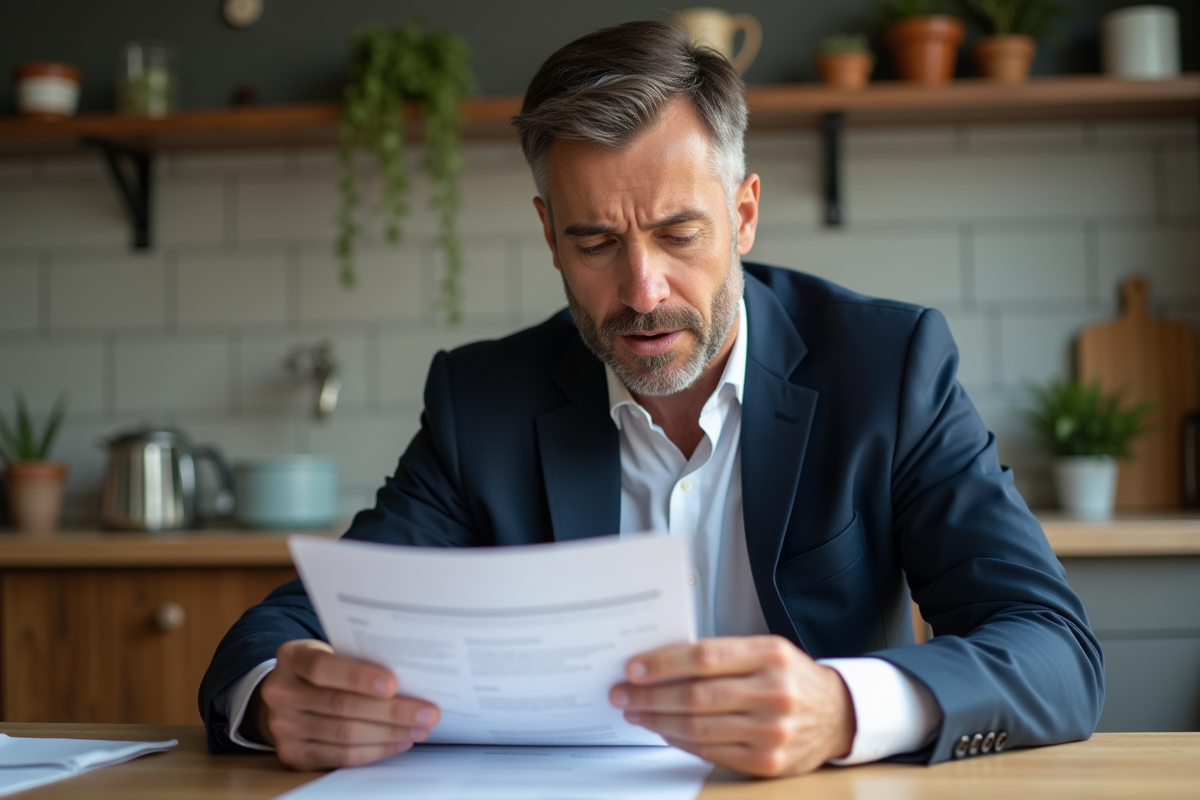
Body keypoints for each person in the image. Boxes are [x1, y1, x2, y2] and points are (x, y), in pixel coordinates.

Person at [200, 19, 1103, 776]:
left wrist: (843, 706)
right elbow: (286, 627)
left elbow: (1052, 648)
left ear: (744, 214)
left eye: (679, 234)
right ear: (549, 235)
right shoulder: (482, 403)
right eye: (596, 243)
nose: (641, 291)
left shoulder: (886, 367)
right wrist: (276, 698)